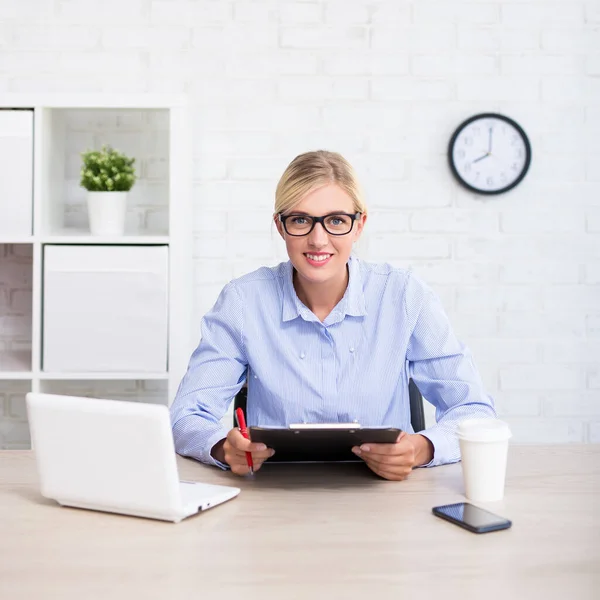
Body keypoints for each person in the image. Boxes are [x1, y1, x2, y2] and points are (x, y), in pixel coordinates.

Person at [170, 150, 496, 481]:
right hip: (274, 497)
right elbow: (187, 415)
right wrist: (222, 447)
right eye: (300, 220)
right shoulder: (243, 302)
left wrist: (421, 448)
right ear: (280, 227)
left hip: (389, 497)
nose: (318, 239)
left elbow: (474, 412)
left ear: (359, 225)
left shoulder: (404, 295)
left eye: (336, 220)